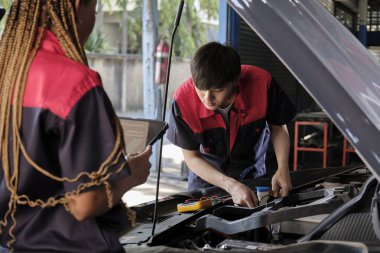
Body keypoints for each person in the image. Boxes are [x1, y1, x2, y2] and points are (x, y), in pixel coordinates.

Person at [0, 1, 152, 252]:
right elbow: (85, 203)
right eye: (95, 8)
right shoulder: (75, 83)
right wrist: (132, 175)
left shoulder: (8, 68)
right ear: (79, 6)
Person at [167, 42, 296, 208]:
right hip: (206, 181)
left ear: (235, 81)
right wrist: (231, 186)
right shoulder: (183, 102)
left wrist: (283, 167)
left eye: (217, 89)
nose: (207, 97)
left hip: (252, 173)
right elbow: (191, 157)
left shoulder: (261, 84)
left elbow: (278, 127)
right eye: (201, 88)